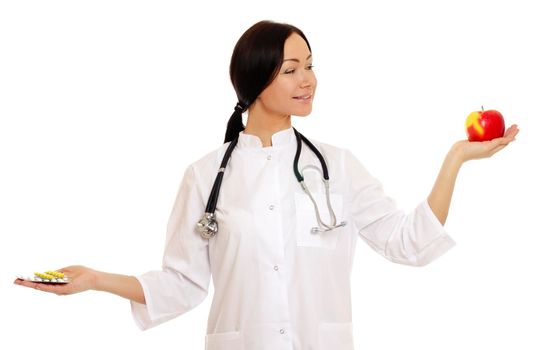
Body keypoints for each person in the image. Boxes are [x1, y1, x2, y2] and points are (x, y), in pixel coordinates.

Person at [14, 20, 519, 350]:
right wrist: (95, 280)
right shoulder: (205, 176)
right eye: (291, 69)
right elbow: (182, 285)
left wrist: (456, 159)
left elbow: (409, 244)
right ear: (256, 80)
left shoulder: (338, 167)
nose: (309, 80)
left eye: (311, 65)